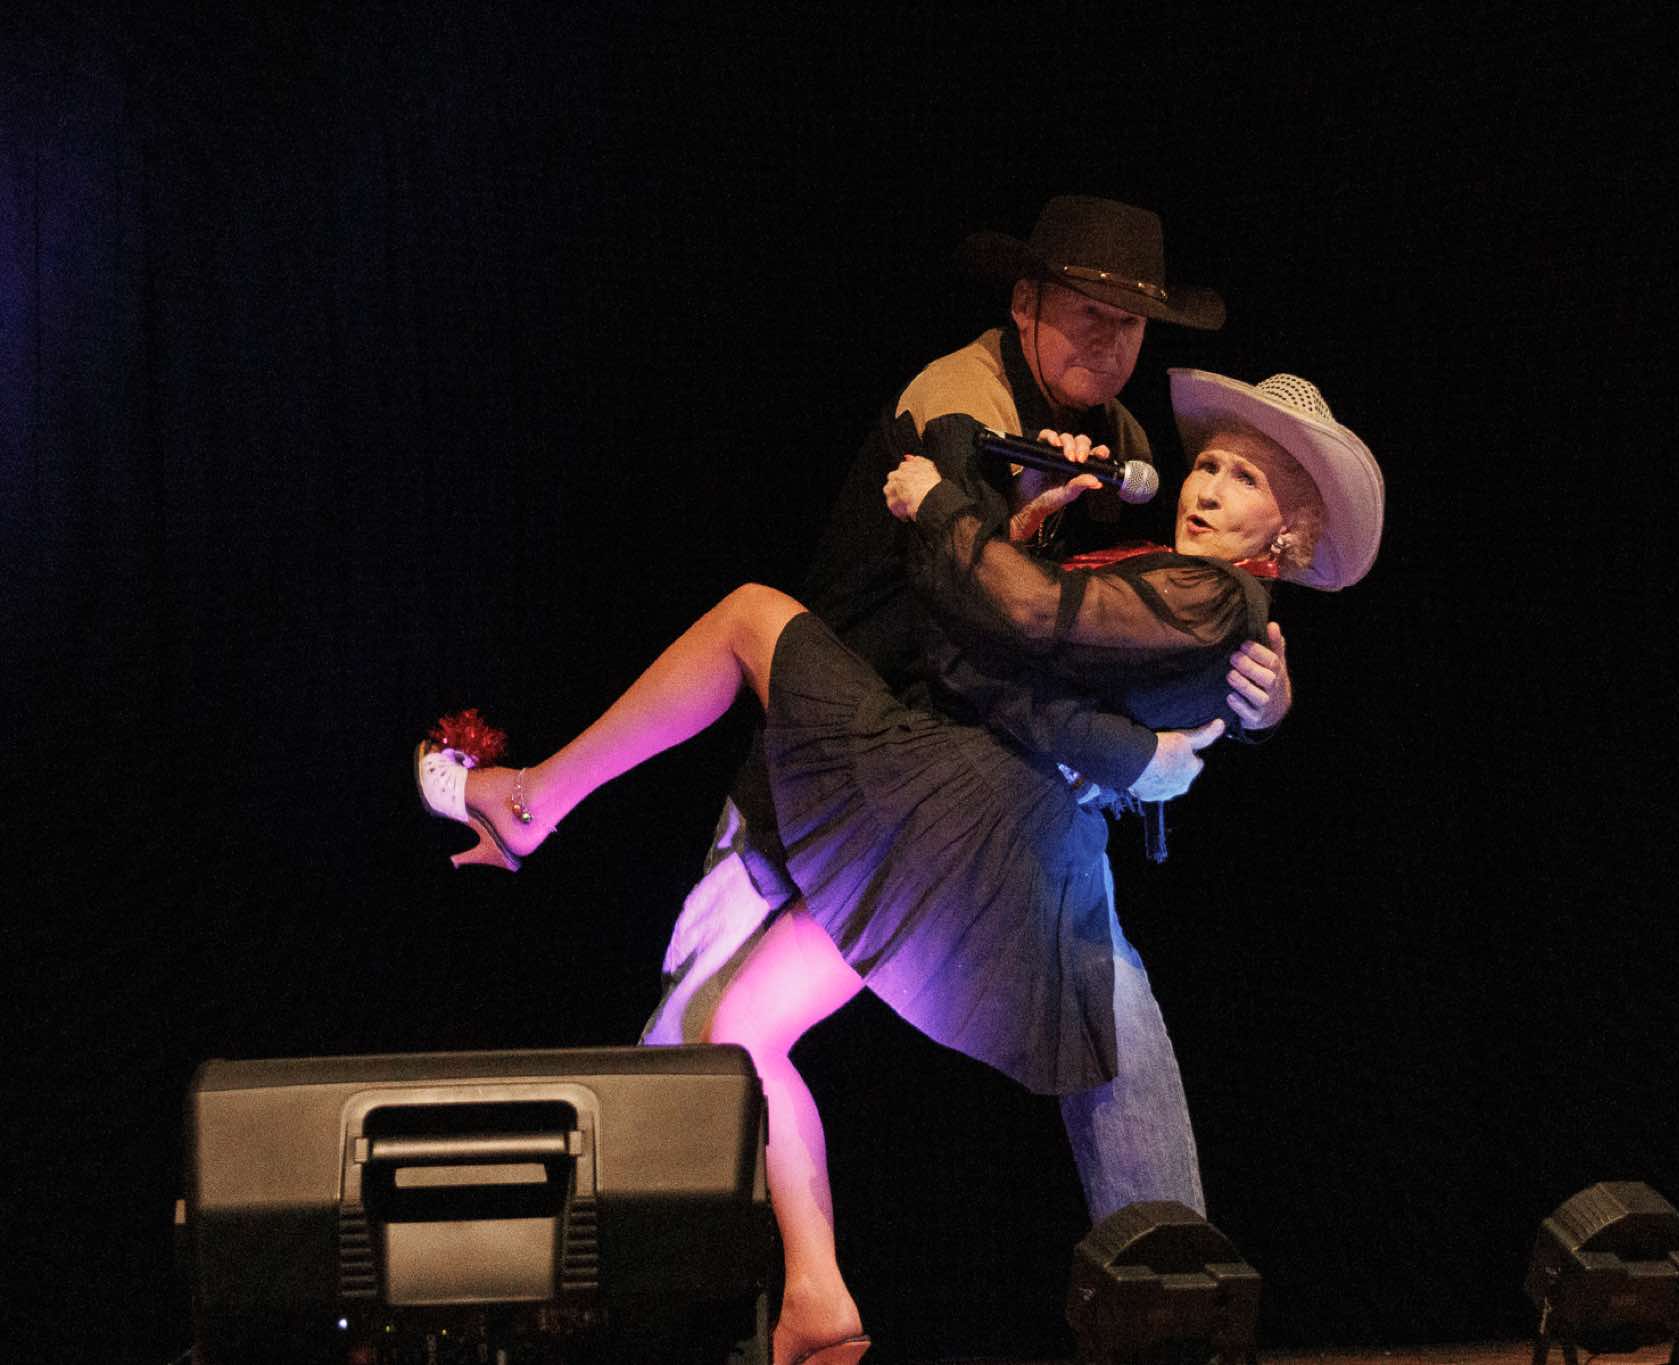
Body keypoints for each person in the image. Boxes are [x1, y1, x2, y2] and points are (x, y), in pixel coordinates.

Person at [415, 369, 1385, 1365]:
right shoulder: (1186, 589)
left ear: (1291, 533)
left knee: (750, 618)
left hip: (960, 813)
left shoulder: (1212, 595)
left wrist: (940, 498)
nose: (1208, 486)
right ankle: (817, 1300)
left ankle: (536, 799)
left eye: (1244, 480)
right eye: (1210, 464)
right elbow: (1044, 655)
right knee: (746, 1026)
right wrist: (1031, 557)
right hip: (980, 843)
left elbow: (1021, 624)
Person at [640, 196, 1285, 1226]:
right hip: (850, 748)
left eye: (1129, 322)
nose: (1109, 340)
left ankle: (1166, 1279)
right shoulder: (959, 400)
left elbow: (1127, 643)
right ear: (1025, 303)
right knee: (707, 1037)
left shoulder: (1120, 450)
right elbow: (990, 619)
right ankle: (718, 1280)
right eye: (1086, 311)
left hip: (972, 788)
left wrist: (1254, 702)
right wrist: (1127, 750)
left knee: (1101, 1013)